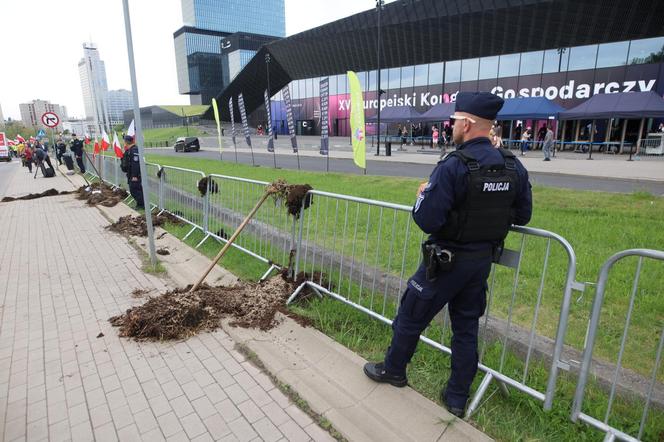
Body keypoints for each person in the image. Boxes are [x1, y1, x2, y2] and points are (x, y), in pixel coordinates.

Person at [363, 91, 532, 418]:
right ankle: (456, 398)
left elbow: (428, 220)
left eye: (455, 121)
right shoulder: (513, 165)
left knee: (410, 316)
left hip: (444, 262)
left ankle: (394, 370)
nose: (451, 125)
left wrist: (421, 197)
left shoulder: (454, 166)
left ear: (467, 124)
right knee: (466, 328)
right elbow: (522, 215)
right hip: (480, 263)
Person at [121, 135, 144, 209]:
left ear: (126, 142)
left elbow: (135, 163)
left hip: (134, 175)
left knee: (135, 190)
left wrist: (135, 175)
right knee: (134, 189)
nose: (123, 143)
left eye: (124, 141)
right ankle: (140, 204)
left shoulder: (134, 150)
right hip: (130, 174)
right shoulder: (129, 150)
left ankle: (142, 205)